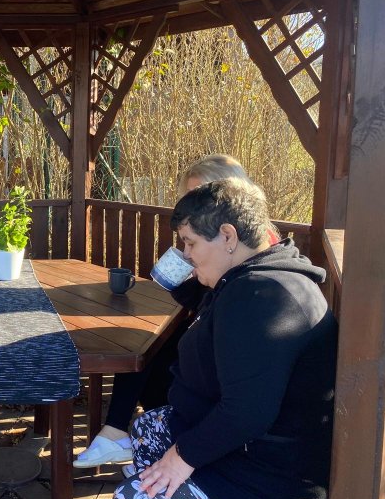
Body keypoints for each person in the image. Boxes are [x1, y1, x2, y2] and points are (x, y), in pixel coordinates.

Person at [111, 178, 337, 499]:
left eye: (191, 242)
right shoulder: (256, 277)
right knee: (146, 428)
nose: (186, 254)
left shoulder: (263, 300)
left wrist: (180, 459)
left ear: (228, 236)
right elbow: (212, 311)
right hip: (248, 449)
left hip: (267, 487)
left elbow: (248, 412)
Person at [75, 154, 274, 469]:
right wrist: (189, 276)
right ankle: (124, 435)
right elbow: (200, 301)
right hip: (204, 353)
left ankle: (145, 444)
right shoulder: (209, 242)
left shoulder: (256, 258)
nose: (195, 206)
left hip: (225, 393)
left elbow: (246, 398)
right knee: (145, 341)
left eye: (204, 194)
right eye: (190, 197)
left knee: (154, 346)